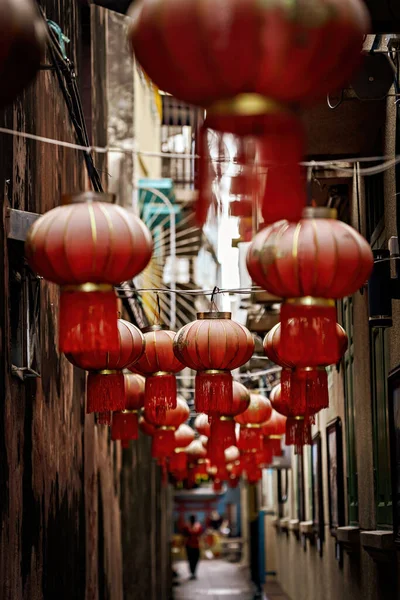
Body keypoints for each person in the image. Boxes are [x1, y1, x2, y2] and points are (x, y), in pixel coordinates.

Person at [183, 514, 203, 580]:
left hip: (196, 545)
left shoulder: (198, 526)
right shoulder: (187, 526)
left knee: (195, 559)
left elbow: (200, 534)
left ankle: (193, 572)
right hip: (189, 545)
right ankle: (192, 573)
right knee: (191, 560)